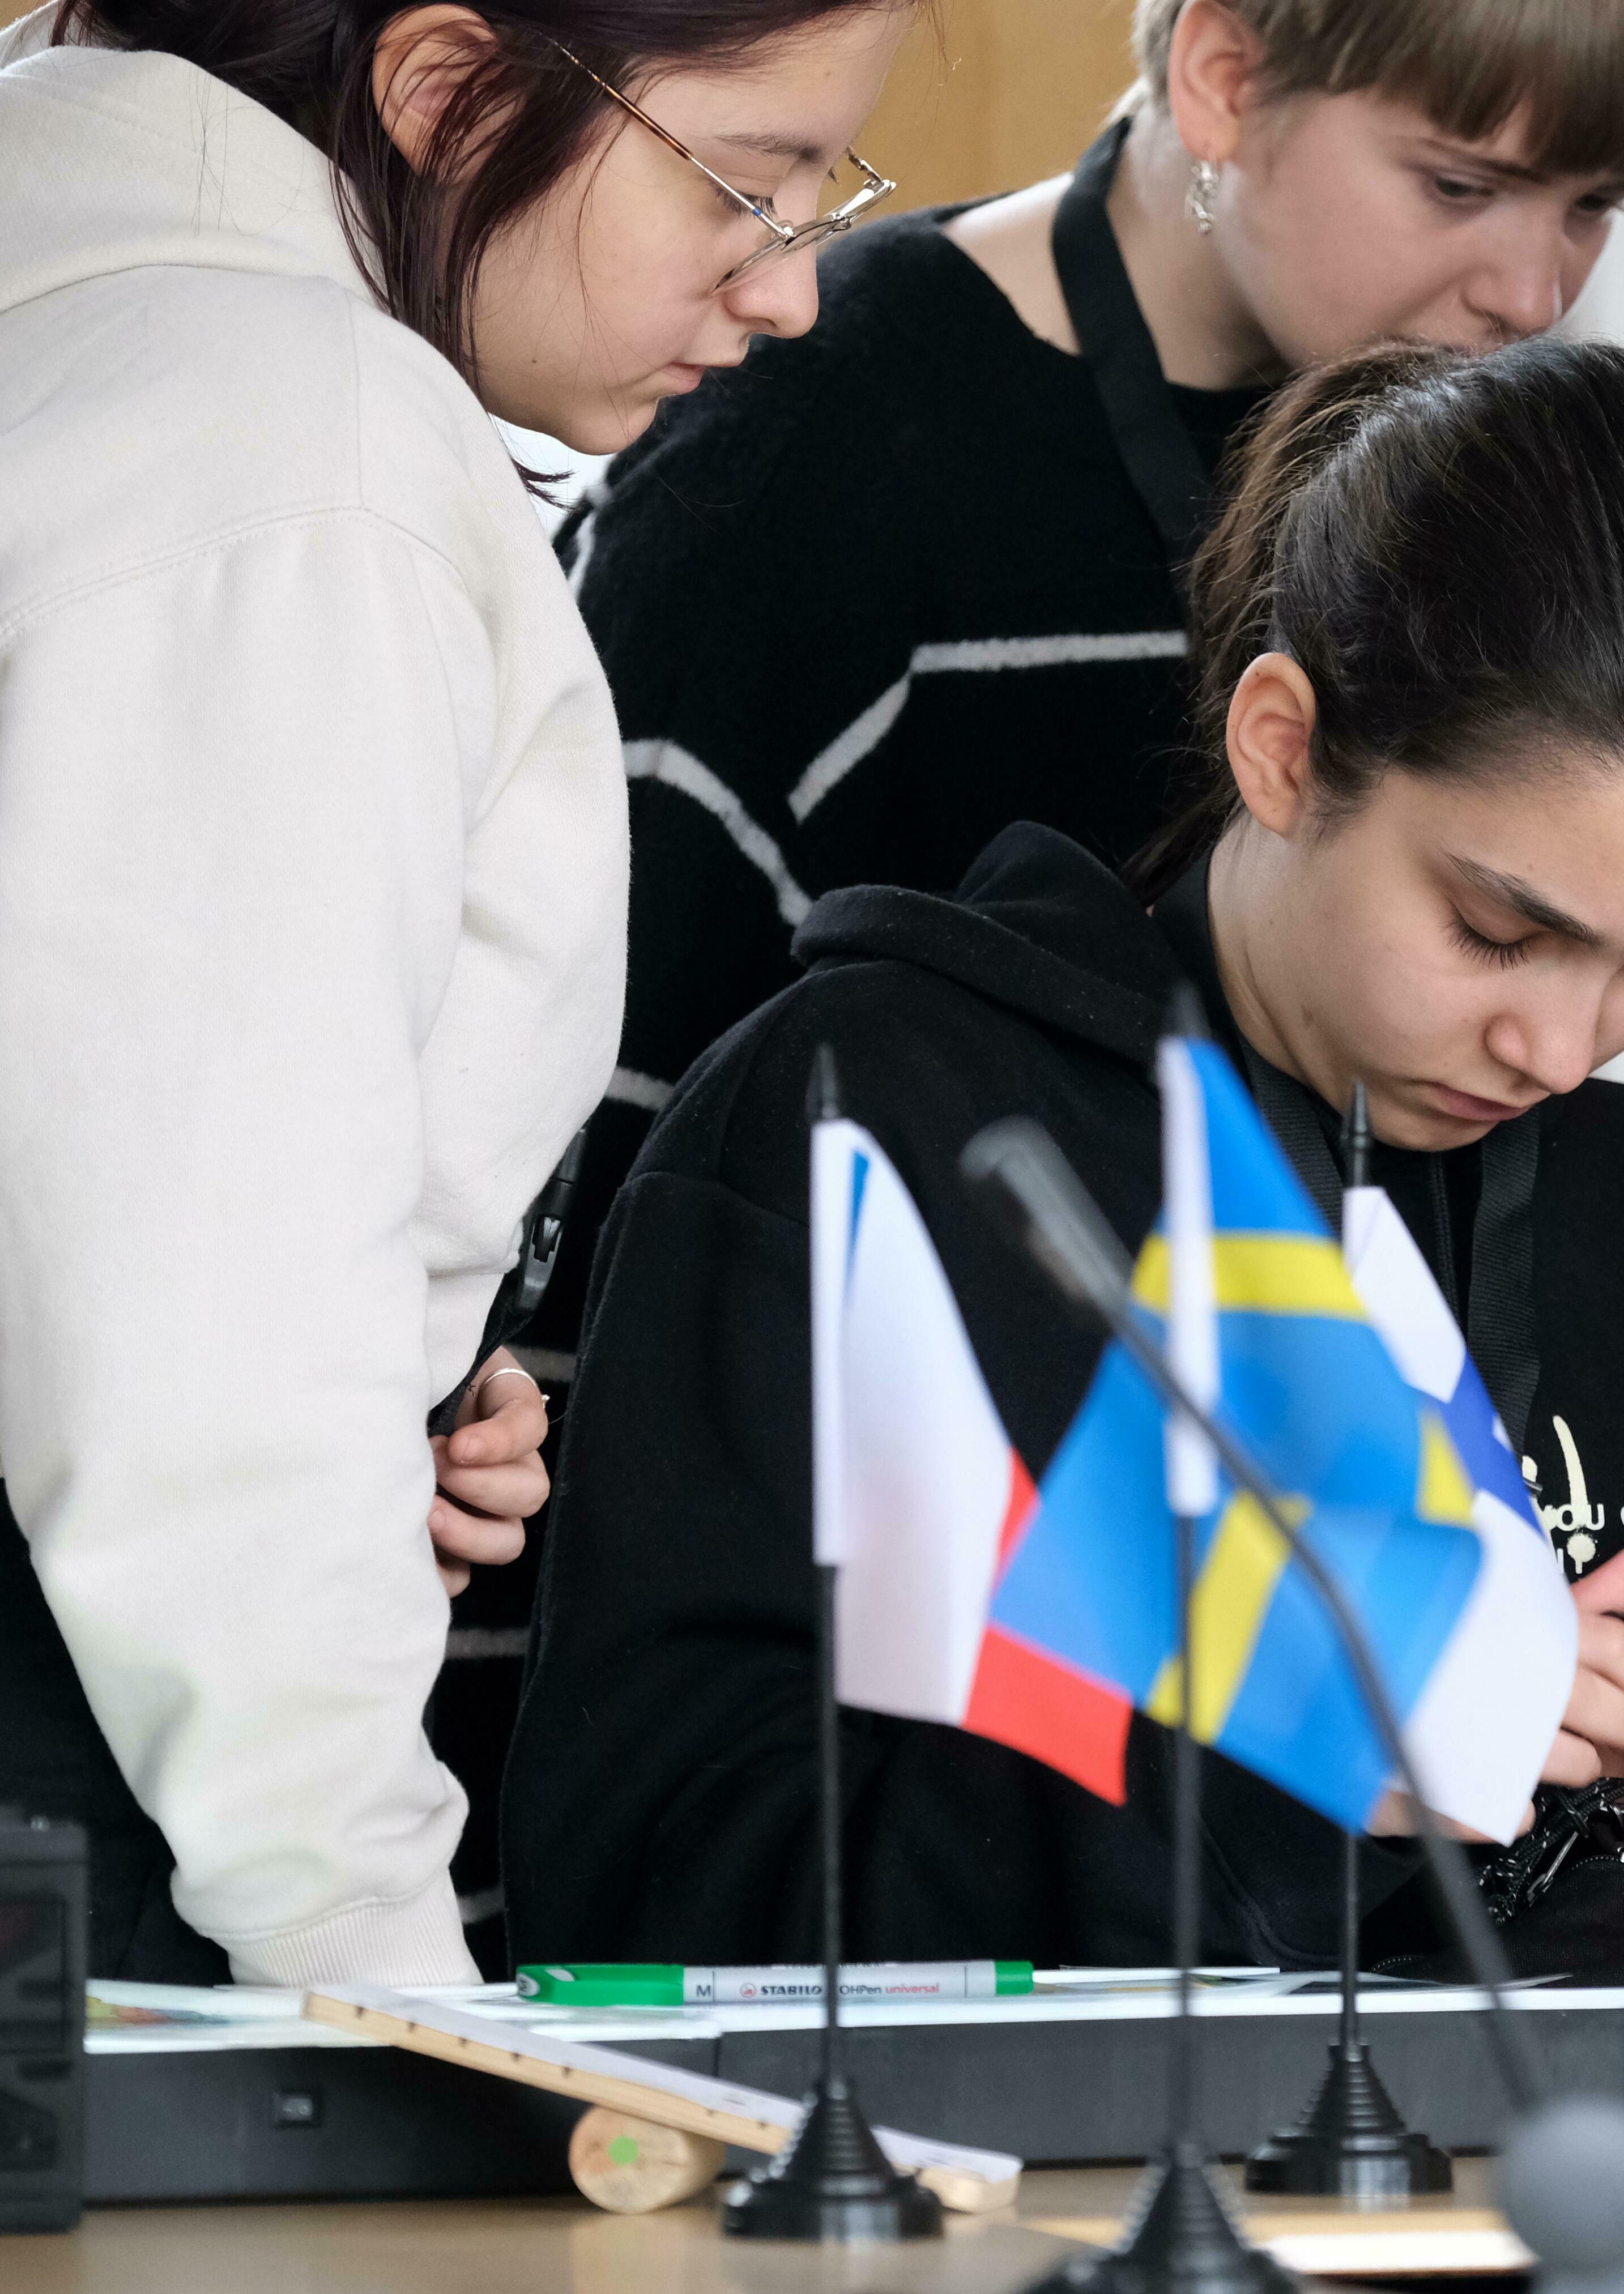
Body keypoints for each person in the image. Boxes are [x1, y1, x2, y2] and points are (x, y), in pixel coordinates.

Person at [504, 338, 1624, 1968]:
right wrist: (1280, 1766)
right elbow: (640, 1895)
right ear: (1282, 745)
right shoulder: (878, 1124)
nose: (1559, 1047)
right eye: (1493, 930)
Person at [0, 0, 911, 1984]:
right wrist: (368, 1956)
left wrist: (401, 1339)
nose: (790, 292)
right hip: (82, 1772)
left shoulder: (78, 320)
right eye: (747, 185)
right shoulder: (286, 438)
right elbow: (198, 1344)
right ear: (443, 89)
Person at [530, 0, 1624, 1364]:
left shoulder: (1496, 480)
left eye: (1596, 207)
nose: (1532, 294)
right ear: (1221, 78)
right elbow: (587, 1122)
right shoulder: (809, 450)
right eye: (1460, 187)